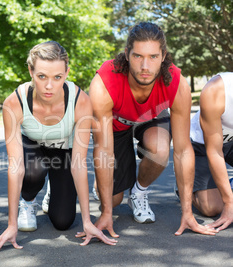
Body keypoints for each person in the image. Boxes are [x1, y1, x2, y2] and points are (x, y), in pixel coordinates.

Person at [84, 22, 217, 239]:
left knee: (160, 149)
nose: (145, 66)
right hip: (116, 127)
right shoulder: (105, 81)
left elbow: (183, 150)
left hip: (151, 117)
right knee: (112, 200)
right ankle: (102, 189)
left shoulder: (177, 82)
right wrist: (107, 212)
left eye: (153, 57)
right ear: (127, 54)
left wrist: (188, 213)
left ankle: (139, 191)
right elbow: (104, 150)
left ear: (163, 56)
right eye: (138, 56)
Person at [0, 41, 117, 253]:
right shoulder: (15, 102)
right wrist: (12, 224)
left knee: (63, 221)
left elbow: (78, 163)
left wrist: (87, 220)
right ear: (30, 71)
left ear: (67, 72)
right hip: (32, 149)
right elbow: (15, 166)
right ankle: (28, 202)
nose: (49, 86)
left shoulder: (80, 101)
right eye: (42, 77)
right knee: (33, 170)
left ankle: (52, 191)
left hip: (63, 152)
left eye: (57, 77)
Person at [190, 72, 233, 231]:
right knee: (211, 207)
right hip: (203, 144)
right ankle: (186, 185)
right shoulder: (216, 90)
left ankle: (229, 185)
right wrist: (229, 203)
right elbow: (215, 152)